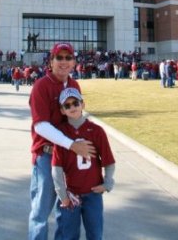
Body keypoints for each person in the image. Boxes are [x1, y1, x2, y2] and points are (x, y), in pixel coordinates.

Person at [28, 42, 96, 240]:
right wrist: (72, 145)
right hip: (47, 155)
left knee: (67, 209)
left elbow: (76, 117)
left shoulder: (74, 85)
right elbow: (40, 125)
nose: (64, 62)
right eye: (59, 57)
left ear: (74, 62)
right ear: (51, 61)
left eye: (68, 57)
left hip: (69, 158)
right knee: (40, 212)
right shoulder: (41, 85)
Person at [52, 87, 116, 240]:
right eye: (67, 105)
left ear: (83, 104)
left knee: (95, 234)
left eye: (75, 103)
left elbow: (108, 160)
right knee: (67, 235)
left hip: (92, 193)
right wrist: (63, 195)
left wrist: (107, 183)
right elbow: (56, 167)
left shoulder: (96, 130)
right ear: (62, 110)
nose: (72, 107)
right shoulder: (60, 133)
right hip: (71, 194)